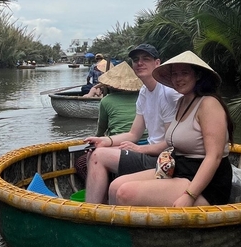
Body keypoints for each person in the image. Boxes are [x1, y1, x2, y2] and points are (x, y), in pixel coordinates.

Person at [107, 50, 233, 208]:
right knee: (115, 186)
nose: (178, 79)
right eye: (175, 74)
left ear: (198, 75)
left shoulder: (209, 104)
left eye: (184, 73)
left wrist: (189, 195)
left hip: (207, 182)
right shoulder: (182, 102)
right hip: (179, 168)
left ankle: (131, 232)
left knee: (125, 193)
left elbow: (214, 156)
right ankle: (115, 231)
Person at [84, 44, 180, 203]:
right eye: (136, 60)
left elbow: (171, 144)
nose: (139, 63)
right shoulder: (144, 92)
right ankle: (99, 203)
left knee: (98, 156)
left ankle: (90, 212)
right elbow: (134, 134)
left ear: (157, 63)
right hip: (151, 152)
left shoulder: (167, 93)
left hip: (165, 158)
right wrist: (105, 140)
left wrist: (139, 149)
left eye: (146, 59)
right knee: (95, 150)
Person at [94, 61, 142, 136]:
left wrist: (96, 138)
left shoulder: (106, 100)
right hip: (146, 138)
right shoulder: (142, 96)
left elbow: (102, 128)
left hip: (118, 139)